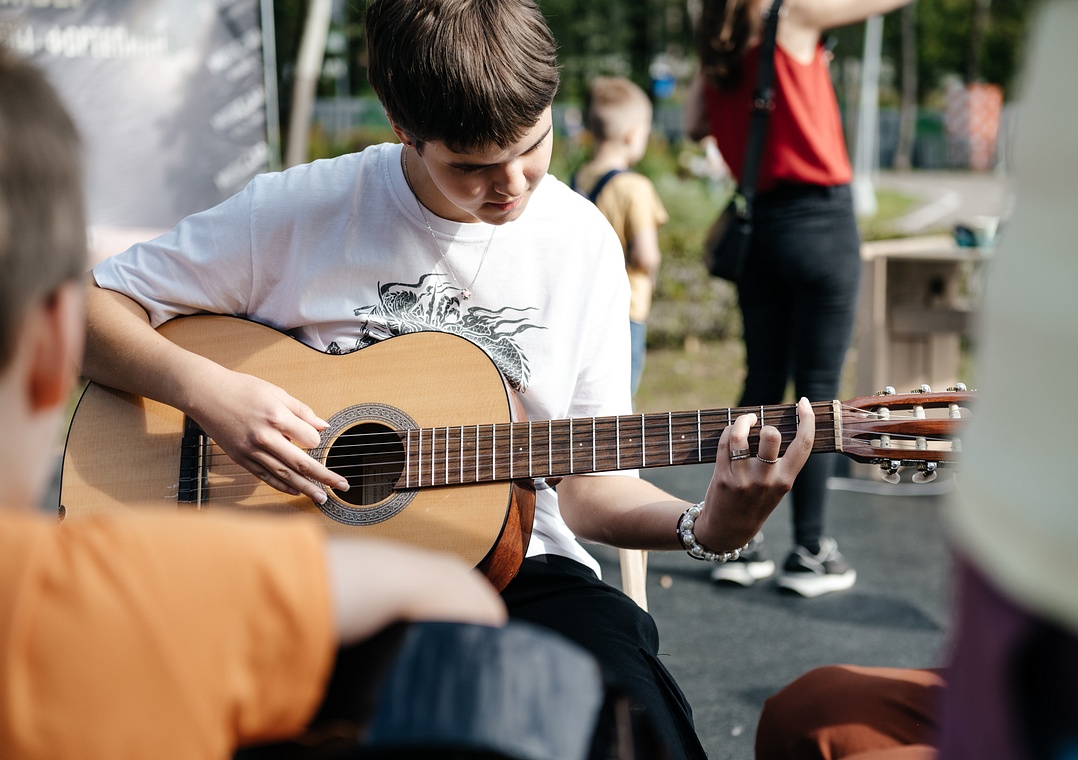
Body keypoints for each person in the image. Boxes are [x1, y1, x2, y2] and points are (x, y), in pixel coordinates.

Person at [80, 1, 817, 757]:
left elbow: (594, 492)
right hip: (299, 572)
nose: (511, 187)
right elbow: (82, 312)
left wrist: (708, 525)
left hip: (524, 576)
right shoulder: (301, 209)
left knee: (628, 712)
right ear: (403, 125)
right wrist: (210, 392)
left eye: (533, 147)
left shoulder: (582, 242)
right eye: (470, 166)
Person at [0, 44, 508, 760]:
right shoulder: (130, 592)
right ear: (54, 353)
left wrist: (693, 524)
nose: (508, 181)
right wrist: (204, 388)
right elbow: (458, 603)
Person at [754, 1, 1078, 757]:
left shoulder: (740, 37)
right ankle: (804, 546)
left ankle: (781, 547)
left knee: (772, 387)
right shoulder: (790, 21)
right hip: (1033, 560)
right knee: (804, 710)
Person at [684, 0, 912, 595]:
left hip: (759, 230)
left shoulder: (720, 45)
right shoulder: (791, 19)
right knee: (819, 391)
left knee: (760, 384)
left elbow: (692, 124)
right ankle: (809, 551)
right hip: (821, 225)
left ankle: (738, 540)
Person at [571, 76, 668, 397]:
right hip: (627, 307)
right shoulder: (635, 188)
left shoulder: (580, 177)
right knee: (619, 395)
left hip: (584, 304)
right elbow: (645, 255)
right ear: (632, 133)